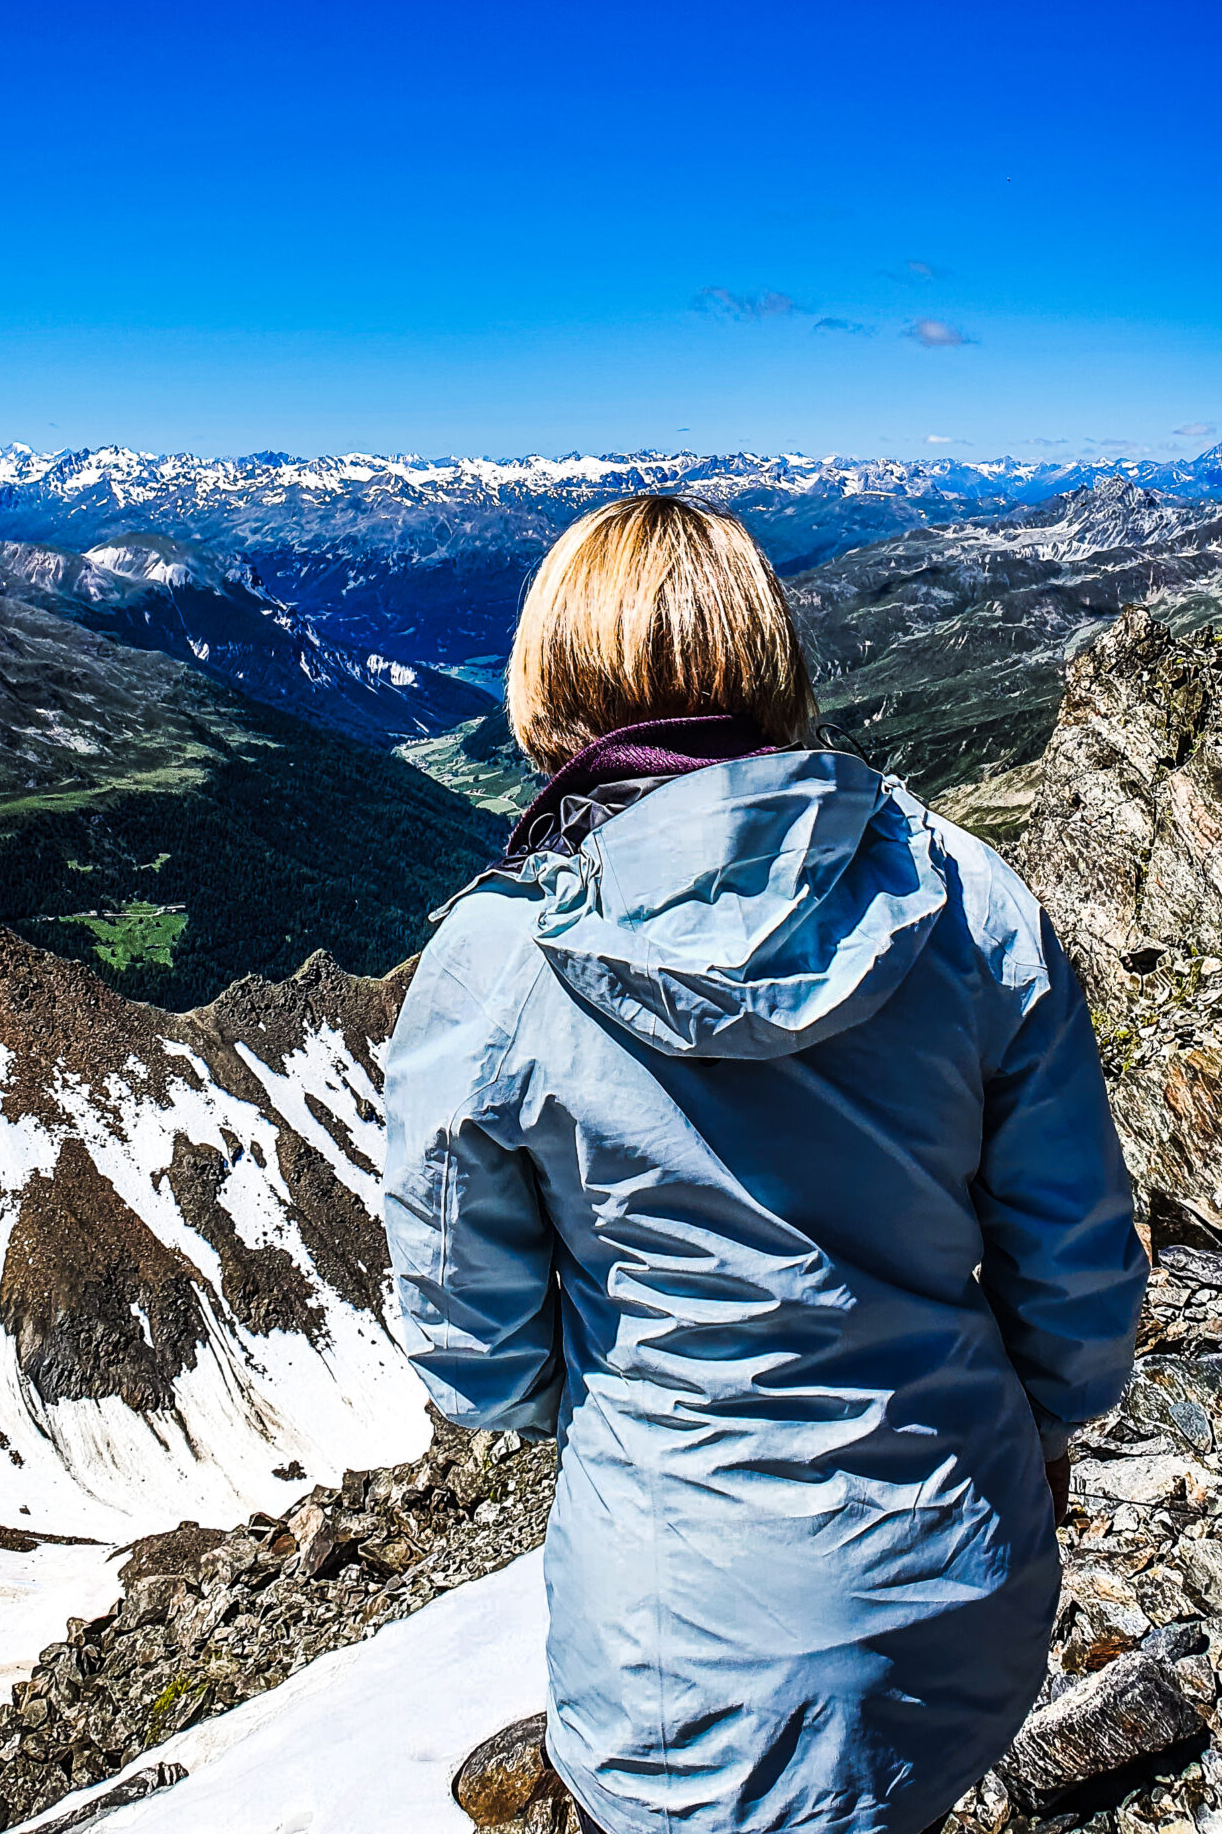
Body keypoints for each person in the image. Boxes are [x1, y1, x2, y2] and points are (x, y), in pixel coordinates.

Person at [383, 495, 1146, 1834]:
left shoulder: (496, 966)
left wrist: (617, 1406)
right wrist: (1040, 1430)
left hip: (683, 1660)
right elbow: (1076, 1277)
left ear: (549, 684)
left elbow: (472, 1343)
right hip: (962, 1579)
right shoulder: (966, 897)